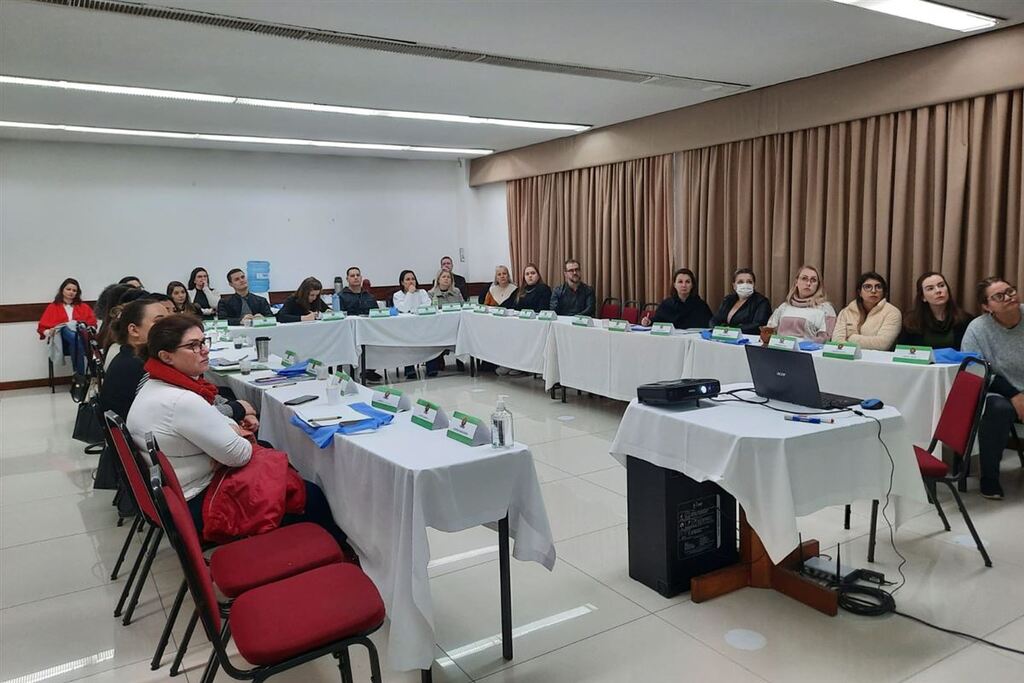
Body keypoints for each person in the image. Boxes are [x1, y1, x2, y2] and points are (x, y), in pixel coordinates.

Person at [126, 315, 346, 543]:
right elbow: (239, 455)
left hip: (179, 491)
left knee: (269, 453)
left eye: (203, 342)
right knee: (309, 494)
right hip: (198, 503)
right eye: (193, 346)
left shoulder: (155, 384)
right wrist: (233, 431)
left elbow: (217, 423)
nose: (204, 350)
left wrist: (229, 428)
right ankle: (330, 551)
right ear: (166, 356)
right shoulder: (181, 400)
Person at [960, 278, 1023, 500]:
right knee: (997, 409)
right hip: (999, 390)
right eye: (999, 296)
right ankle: (989, 477)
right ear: (987, 306)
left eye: (1010, 291)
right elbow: (974, 369)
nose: (1008, 297)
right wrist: (1014, 394)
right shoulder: (977, 329)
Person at [898, 271, 973, 350]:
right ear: (923, 297)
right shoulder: (910, 322)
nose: (938, 291)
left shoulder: (965, 320)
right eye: (930, 288)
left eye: (941, 285)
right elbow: (903, 352)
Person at [37, 278, 97, 375]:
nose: (71, 292)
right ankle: (82, 375)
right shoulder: (53, 307)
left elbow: (92, 324)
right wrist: (49, 332)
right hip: (62, 341)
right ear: (62, 290)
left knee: (76, 340)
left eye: (74, 290)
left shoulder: (83, 307)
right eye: (68, 289)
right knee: (65, 328)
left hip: (80, 339)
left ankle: (78, 376)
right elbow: (42, 328)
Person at [832, 272, 902, 350]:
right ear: (860, 292)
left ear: (883, 292)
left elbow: (882, 344)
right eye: (868, 287)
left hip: (877, 357)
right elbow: (836, 342)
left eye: (878, 287)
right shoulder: (846, 312)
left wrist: (851, 338)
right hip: (847, 356)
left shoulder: (892, 312)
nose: (873, 291)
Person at [766, 265, 836, 342]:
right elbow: (769, 331)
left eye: (813, 280)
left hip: (808, 349)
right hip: (780, 347)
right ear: (796, 282)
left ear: (818, 285)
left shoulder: (825, 308)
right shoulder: (784, 307)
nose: (808, 283)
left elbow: (826, 339)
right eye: (804, 278)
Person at [641, 268, 713, 329]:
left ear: (692, 285)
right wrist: (649, 321)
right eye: (680, 282)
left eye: (687, 282)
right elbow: (658, 321)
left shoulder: (701, 305)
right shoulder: (666, 304)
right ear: (674, 285)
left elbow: (709, 325)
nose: (684, 285)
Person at [393, 270, 431, 379]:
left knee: (431, 337)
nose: (411, 281)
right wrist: (410, 293)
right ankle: (409, 369)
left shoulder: (422, 292)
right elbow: (404, 309)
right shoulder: (397, 295)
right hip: (406, 328)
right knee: (407, 342)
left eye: (413, 279)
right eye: (408, 279)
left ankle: (431, 367)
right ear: (402, 282)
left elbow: (427, 305)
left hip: (423, 326)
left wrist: (415, 310)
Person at [710, 268, 772, 334]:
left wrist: (731, 329)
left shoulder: (762, 302)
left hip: (748, 337)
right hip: (724, 336)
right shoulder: (728, 299)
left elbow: (758, 325)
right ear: (734, 286)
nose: (745, 285)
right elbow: (714, 320)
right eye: (740, 282)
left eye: (749, 282)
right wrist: (719, 329)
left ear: (754, 285)